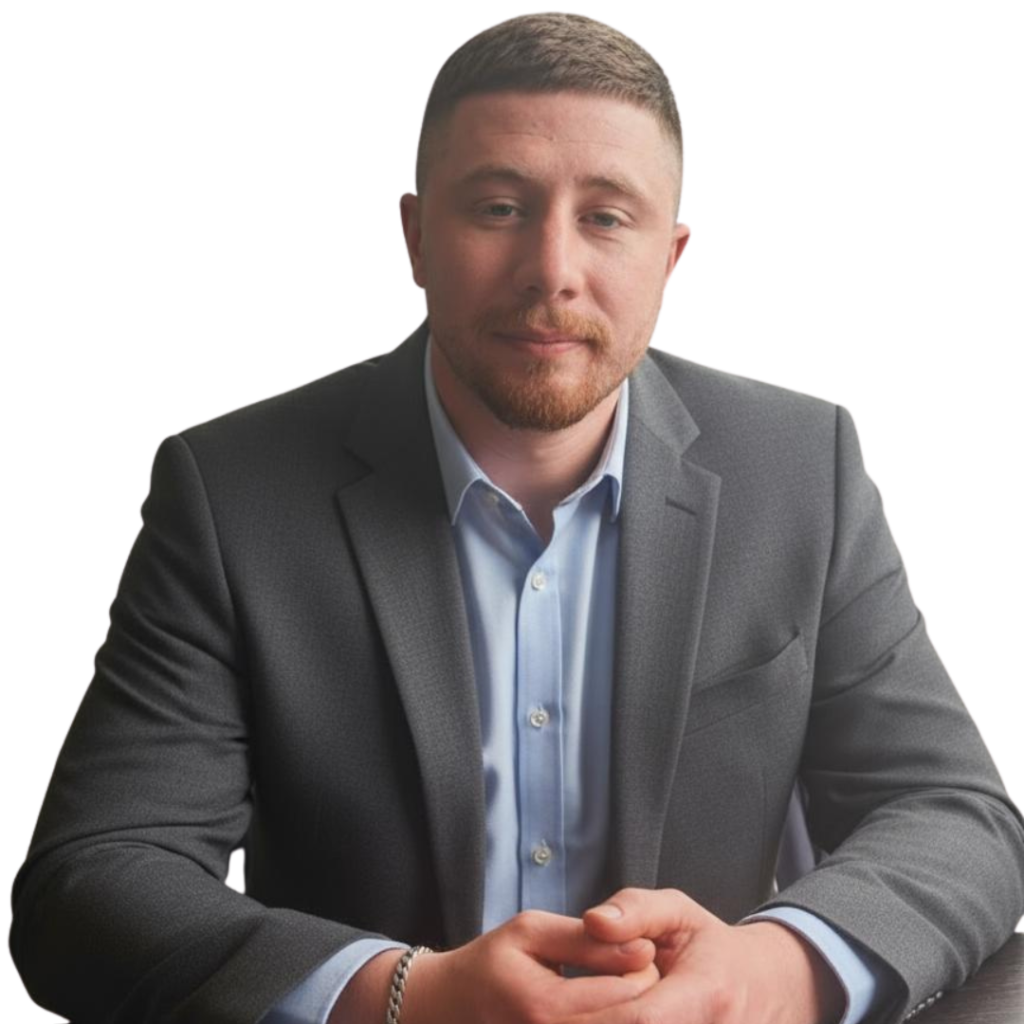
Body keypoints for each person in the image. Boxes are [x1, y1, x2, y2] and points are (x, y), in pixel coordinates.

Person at [9, 11, 1023, 1024]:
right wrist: (405, 994)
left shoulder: (803, 464)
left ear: (671, 257)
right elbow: (92, 877)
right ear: (414, 237)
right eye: (498, 207)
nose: (552, 269)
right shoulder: (229, 488)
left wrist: (770, 971)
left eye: (607, 217)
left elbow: (956, 814)